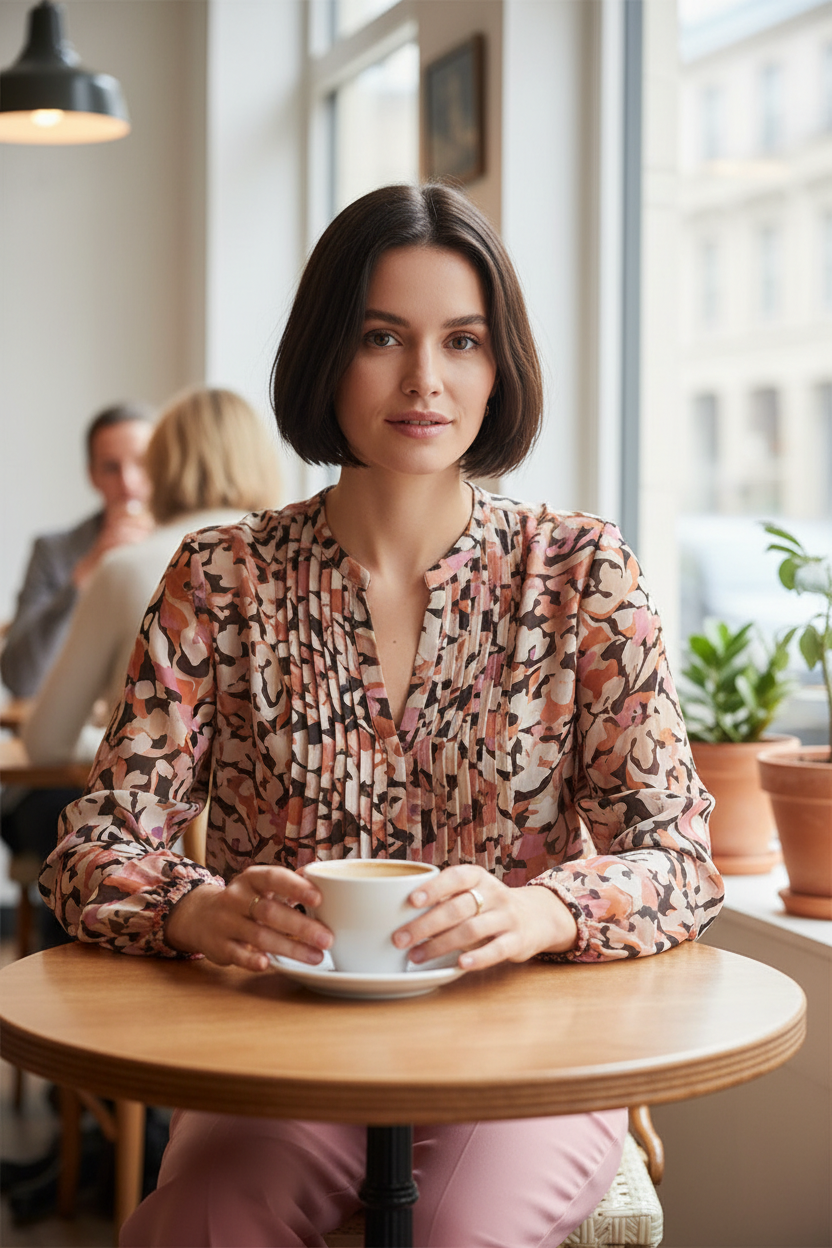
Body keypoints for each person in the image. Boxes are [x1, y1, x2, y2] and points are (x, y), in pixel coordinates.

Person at [40, 184, 723, 1248]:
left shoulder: (584, 572)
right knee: (198, 1230)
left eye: (461, 340)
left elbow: (677, 852)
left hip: (523, 1048)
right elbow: (94, 846)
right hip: (285, 1046)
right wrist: (195, 908)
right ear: (326, 353)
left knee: (457, 1236)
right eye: (380, 338)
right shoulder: (221, 576)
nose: (424, 380)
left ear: (500, 367)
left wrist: (536, 913)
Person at [23, 386, 283, 767]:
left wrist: (130, 743)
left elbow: (46, 743)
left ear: (160, 465)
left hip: (153, 818)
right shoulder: (303, 564)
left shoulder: (125, 567)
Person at [1, 402, 154, 699]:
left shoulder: (189, 548)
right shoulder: (54, 552)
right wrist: (83, 576)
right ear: (92, 475)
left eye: (142, 463)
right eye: (111, 467)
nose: (127, 482)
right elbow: (21, 680)